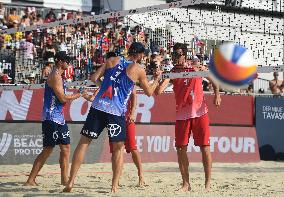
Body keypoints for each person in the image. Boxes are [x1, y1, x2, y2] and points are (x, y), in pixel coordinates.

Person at [63, 42, 161, 193]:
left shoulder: (111, 60)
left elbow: (94, 77)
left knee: (84, 143)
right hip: (115, 111)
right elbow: (149, 92)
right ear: (139, 54)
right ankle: (114, 186)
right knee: (118, 149)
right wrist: (156, 79)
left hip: (98, 106)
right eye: (143, 54)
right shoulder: (138, 69)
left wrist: (103, 86)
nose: (144, 57)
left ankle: (71, 181)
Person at [156, 43, 221, 192]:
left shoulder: (196, 67)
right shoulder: (172, 72)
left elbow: (213, 79)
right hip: (182, 116)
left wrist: (217, 95)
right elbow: (159, 91)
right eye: (174, 55)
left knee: (205, 148)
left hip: (200, 113)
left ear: (184, 55)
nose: (176, 57)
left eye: (179, 54)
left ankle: (207, 184)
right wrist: (158, 77)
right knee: (180, 149)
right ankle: (186, 184)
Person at [24, 51, 85, 186]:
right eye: (66, 61)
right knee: (48, 149)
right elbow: (62, 98)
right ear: (59, 61)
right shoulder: (55, 76)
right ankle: (30, 180)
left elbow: (61, 98)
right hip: (50, 117)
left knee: (66, 148)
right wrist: (78, 95)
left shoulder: (59, 76)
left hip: (59, 118)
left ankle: (64, 180)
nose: (68, 63)